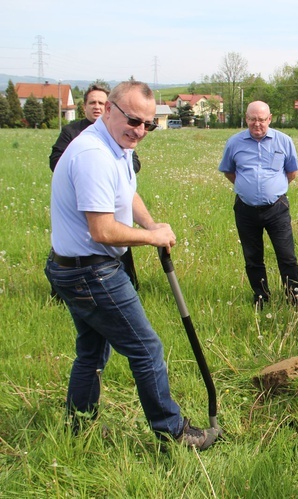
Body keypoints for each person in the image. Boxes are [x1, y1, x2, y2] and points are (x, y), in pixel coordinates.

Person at [44, 81, 217, 450]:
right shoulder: (93, 154)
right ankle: (173, 434)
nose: (139, 130)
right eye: (133, 120)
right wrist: (152, 238)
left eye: (148, 125)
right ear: (108, 109)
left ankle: (78, 424)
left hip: (76, 267)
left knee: (92, 350)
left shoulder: (114, 145)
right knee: (146, 348)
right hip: (89, 271)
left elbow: (128, 193)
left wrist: (151, 223)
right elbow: (102, 229)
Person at [49, 83, 141, 291]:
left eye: (101, 102)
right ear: (85, 107)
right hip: (87, 263)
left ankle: (129, 284)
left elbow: (132, 170)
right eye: (93, 103)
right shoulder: (83, 141)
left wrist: (151, 226)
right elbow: (56, 160)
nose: (97, 107)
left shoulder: (120, 137)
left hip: (109, 242)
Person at [219, 101, 298, 310]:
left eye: (261, 119)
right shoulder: (234, 143)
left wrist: (272, 189)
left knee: (287, 256)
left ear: (270, 119)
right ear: (246, 118)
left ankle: (296, 299)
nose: (257, 124)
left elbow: (291, 172)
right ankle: (261, 297)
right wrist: (247, 188)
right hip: (246, 210)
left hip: (277, 208)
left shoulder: (284, 141)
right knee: (252, 257)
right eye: (252, 119)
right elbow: (229, 171)